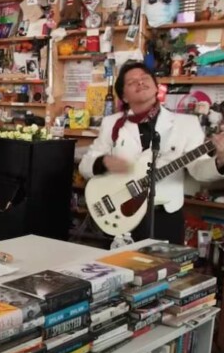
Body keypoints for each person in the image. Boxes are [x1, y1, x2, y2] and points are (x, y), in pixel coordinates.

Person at [79, 61, 224, 244]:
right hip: (121, 213)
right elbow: (85, 165)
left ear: (156, 87)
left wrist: (220, 160)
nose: (140, 82)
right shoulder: (111, 123)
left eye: (145, 78)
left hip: (165, 216)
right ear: (123, 96)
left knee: (166, 271)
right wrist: (103, 162)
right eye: (132, 82)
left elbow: (198, 170)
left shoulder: (186, 124)